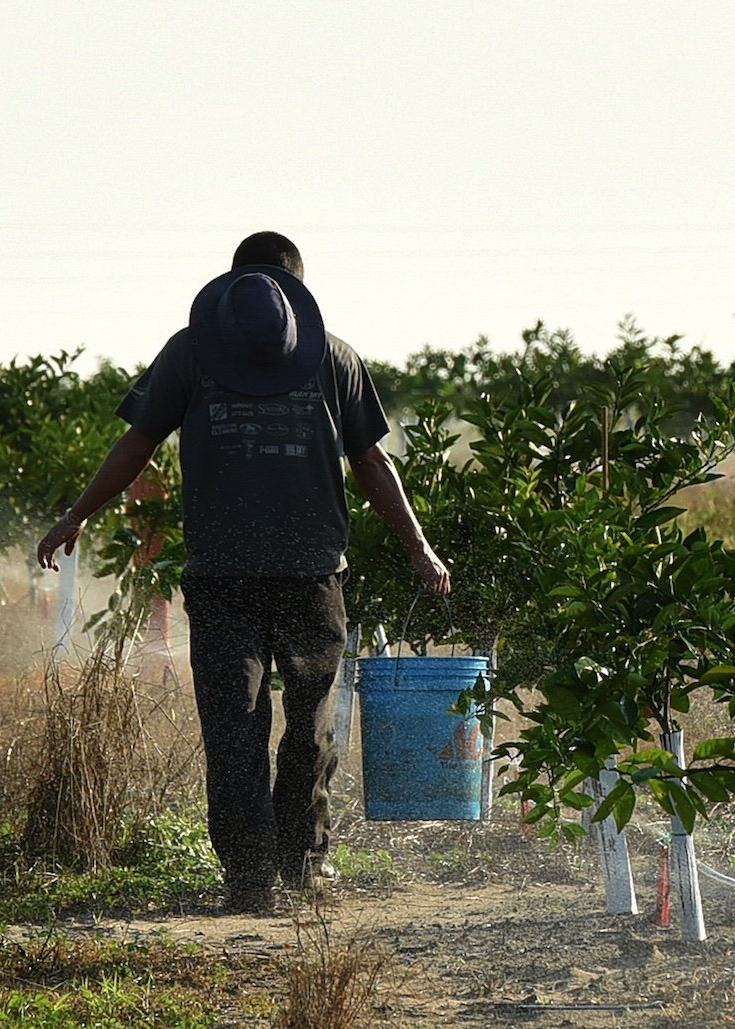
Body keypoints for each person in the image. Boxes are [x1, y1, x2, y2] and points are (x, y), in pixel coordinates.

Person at [37, 231, 450, 912]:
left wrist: (419, 544)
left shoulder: (325, 360)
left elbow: (371, 461)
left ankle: (286, 867)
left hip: (297, 571)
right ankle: (262, 875)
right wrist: (79, 511)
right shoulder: (196, 354)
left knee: (283, 724)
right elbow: (138, 441)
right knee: (251, 724)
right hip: (247, 573)